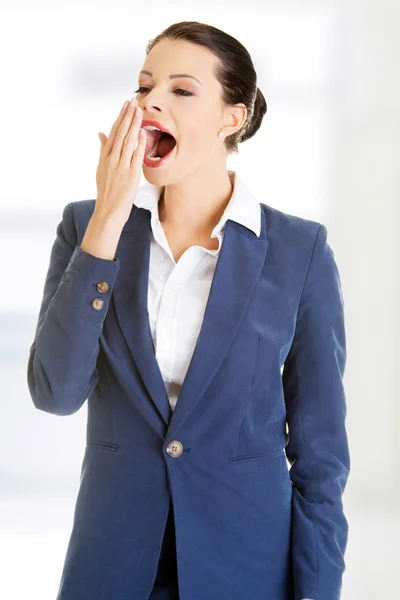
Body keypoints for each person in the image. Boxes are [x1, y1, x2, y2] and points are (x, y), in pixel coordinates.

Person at [27, 20, 350, 600]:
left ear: (234, 117)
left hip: (247, 565)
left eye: (180, 89)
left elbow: (320, 454)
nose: (150, 100)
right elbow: (55, 393)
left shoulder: (299, 252)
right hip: (112, 564)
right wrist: (107, 218)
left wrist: (319, 590)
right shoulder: (87, 227)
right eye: (144, 87)